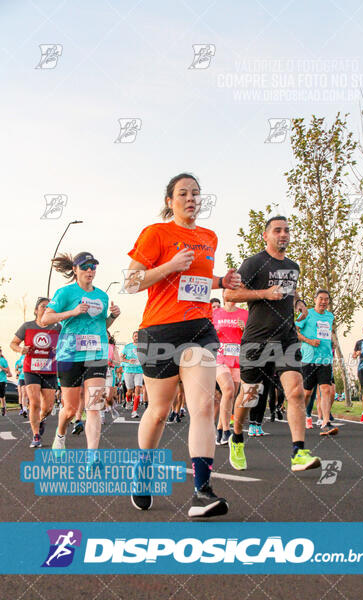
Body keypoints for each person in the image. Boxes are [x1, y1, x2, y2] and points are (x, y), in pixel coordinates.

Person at [125, 172, 241, 517]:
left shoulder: (209, 237)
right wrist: (169, 265)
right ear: (169, 201)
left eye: (196, 193)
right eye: (183, 193)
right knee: (159, 412)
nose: (191, 198)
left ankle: (202, 492)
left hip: (199, 330)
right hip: (160, 331)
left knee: (203, 406)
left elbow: (197, 282)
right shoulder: (156, 233)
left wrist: (221, 281)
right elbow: (131, 282)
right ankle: (142, 471)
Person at [225, 216, 321, 472]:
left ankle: (298, 452)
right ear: (265, 236)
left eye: (287, 230)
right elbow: (229, 294)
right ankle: (236, 437)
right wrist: (265, 294)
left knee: (296, 391)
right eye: (277, 230)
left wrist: (299, 303)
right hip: (257, 338)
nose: (284, 234)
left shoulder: (293, 266)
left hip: (286, 338)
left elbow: (291, 291)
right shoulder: (254, 263)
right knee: (249, 395)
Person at [41, 252, 120, 458]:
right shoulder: (65, 293)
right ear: (75, 269)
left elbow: (102, 324)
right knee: (70, 408)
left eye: (93, 266)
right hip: (69, 354)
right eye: (85, 266)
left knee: (94, 405)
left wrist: (112, 316)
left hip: (96, 353)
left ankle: (92, 455)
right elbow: (45, 319)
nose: (90, 270)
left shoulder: (102, 295)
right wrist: (72, 312)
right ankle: (60, 435)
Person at [10, 298, 60, 447]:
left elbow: (67, 342)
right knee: (34, 402)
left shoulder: (57, 327)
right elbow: (13, 343)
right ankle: (36, 435)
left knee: (48, 408)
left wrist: (60, 349)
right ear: (36, 310)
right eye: (43, 306)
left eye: (48, 307)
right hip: (31, 369)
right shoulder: (27, 326)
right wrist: (21, 349)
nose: (45, 309)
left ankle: (41, 419)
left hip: (50, 370)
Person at [296, 289, 338, 436]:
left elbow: (326, 333)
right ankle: (300, 417)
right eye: (321, 298)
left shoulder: (330, 316)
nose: (323, 302)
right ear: (315, 300)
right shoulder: (306, 314)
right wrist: (309, 341)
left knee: (326, 389)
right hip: (309, 358)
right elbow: (295, 331)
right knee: (307, 392)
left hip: (325, 358)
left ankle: (325, 422)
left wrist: (331, 343)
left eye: (326, 299)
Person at [213, 290, 248, 444]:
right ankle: (227, 431)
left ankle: (219, 429)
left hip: (237, 358)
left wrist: (244, 329)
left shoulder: (245, 314)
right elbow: (205, 335)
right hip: (219, 357)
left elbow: (251, 336)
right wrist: (214, 333)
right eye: (230, 292)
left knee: (231, 395)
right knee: (228, 389)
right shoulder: (215, 313)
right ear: (224, 295)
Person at [121, 331, 143, 419]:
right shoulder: (127, 347)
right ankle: (128, 401)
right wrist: (128, 361)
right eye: (135, 336)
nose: (136, 337)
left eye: (138, 336)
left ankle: (134, 411)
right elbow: (121, 358)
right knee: (129, 391)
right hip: (128, 370)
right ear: (132, 337)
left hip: (139, 371)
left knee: (137, 389)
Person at [0, 348, 12, 416]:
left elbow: (8, 371)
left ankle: (3, 408)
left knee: (1, 396)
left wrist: (1, 367)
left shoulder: (3, 360)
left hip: (2, 380)